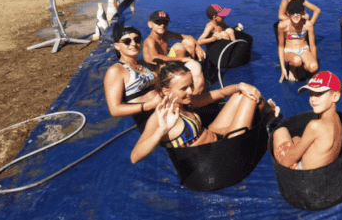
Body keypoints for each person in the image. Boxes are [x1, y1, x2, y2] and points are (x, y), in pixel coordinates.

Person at [130, 62, 278, 163]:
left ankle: (264, 112)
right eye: (184, 88)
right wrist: (161, 130)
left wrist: (240, 85)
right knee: (251, 99)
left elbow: (219, 93)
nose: (191, 91)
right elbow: (134, 157)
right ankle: (266, 114)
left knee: (241, 93)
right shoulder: (160, 117)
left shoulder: (186, 102)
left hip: (215, 134)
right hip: (221, 152)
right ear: (165, 91)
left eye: (191, 85)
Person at [273, 71, 342, 170]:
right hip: (325, 171)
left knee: (280, 132)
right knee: (296, 139)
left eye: (319, 94)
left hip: (305, 175)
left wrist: (288, 165)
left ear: (335, 96)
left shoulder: (315, 126)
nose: (313, 99)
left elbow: (288, 160)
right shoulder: (337, 118)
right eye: (311, 94)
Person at [143, 10, 206, 94]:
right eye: (158, 22)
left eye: (165, 23)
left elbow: (187, 37)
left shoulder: (165, 34)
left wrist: (198, 47)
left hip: (166, 64)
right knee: (179, 47)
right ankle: (183, 74)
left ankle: (184, 73)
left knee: (185, 43)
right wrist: (181, 59)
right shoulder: (150, 40)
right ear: (150, 24)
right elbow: (155, 57)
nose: (162, 25)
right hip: (157, 70)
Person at [103, 25, 161, 118]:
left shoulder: (145, 65)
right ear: (117, 46)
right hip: (147, 117)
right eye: (127, 41)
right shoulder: (116, 71)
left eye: (137, 40)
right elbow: (115, 110)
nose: (133, 44)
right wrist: (149, 105)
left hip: (163, 110)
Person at [277, 0, 318, 82]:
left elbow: (312, 46)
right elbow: (281, 46)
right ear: (288, 14)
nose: (295, 15)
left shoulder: (308, 25)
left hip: (303, 49)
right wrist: (283, 68)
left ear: (303, 13)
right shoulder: (282, 26)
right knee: (297, 60)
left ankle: (302, 67)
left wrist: (314, 69)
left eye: (298, 12)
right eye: (292, 12)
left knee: (313, 67)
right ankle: (292, 68)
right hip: (289, 50)